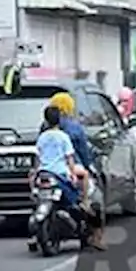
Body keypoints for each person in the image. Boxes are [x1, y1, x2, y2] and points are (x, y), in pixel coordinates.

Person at [46, 93, 106, 249]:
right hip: (70, 169)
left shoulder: (44, 128)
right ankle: (96, 237)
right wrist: (90, 167)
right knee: (96, 200)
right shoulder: (75, 128)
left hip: (48, 170)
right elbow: (83, 153)